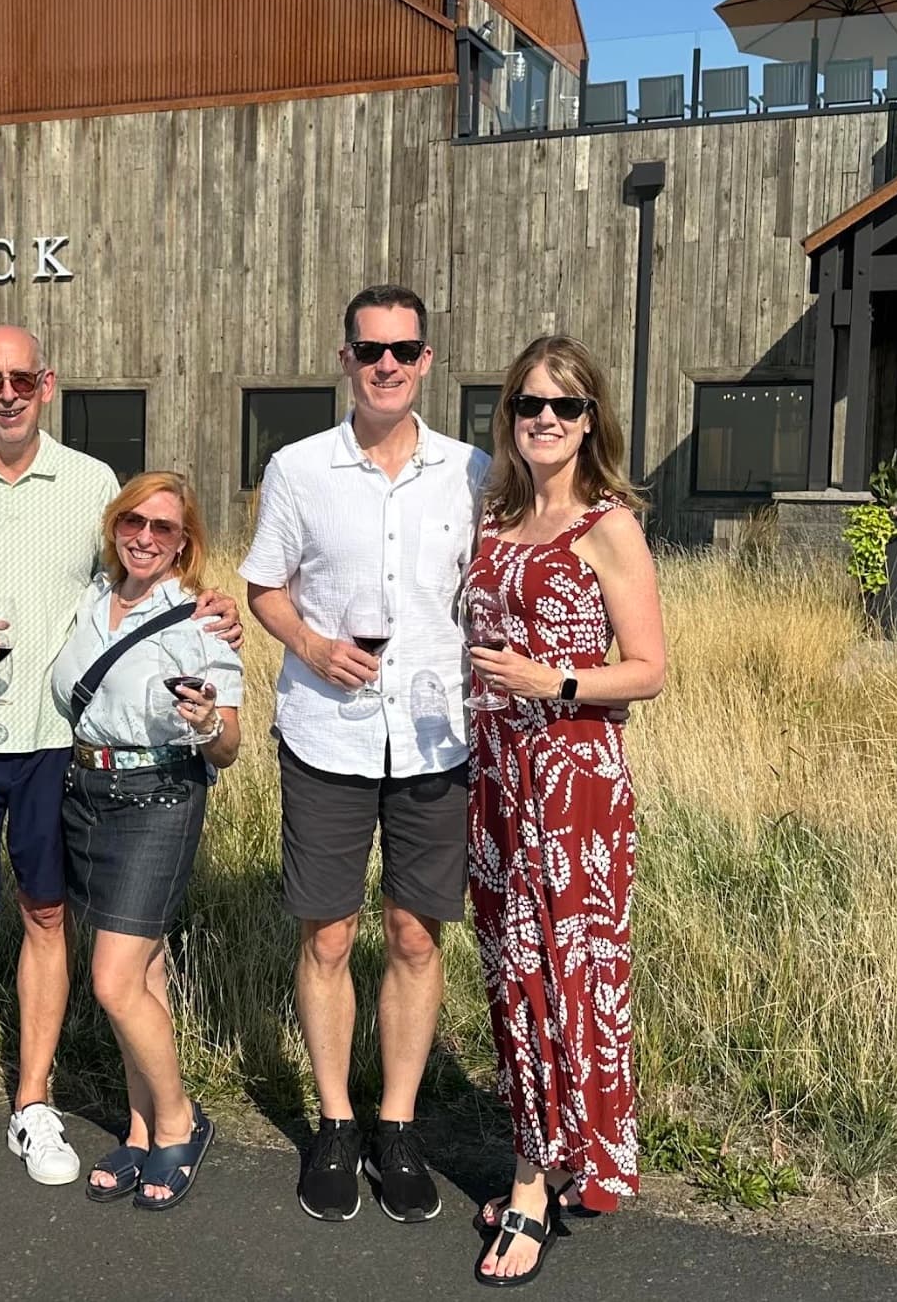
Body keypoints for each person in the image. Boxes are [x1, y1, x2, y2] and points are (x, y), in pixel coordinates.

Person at [0, 325, 242, 1218]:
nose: (8, 392)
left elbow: (139, 578)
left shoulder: (91, 485)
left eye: (23, 377)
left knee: (47, 918)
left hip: (53, 748)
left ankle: (33, 1104)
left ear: (47, 383)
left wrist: (207, 606)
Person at [239, 284, 489, 1224]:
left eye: (404, 349)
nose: (387, 364)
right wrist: (310, 646)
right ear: (345, 359)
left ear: (426, 361)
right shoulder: (300, 470)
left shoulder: (472, 470)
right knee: (330, 934)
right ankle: (336, 1123)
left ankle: (397, 1123)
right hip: (327, 735)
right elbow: (264, 586)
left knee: (417, 935)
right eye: (370, 349)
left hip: (434, 734)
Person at [463, 334, 666, 1287]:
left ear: (592, 424)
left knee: (565, 975)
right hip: (497, 775)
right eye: (528, 405)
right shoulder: (496, 519)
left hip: (572, 776)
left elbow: (651, 670)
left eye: (565, 407)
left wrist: (556, 678)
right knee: (512, 975)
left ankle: (537, 1185)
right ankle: (544, 1152)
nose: (545, 420)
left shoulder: (608, 525)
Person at [49, 472, 243, 1211]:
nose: (146, 537)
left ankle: (182, 1122)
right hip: (85, 794)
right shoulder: (87, 602)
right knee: (145, 978)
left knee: (112, 979)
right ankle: (140, 1127)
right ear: (115, 525)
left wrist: (204, 724)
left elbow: (226, 745)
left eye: (164, 528)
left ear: (185, 542)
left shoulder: (201, 620)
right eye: (135, 521)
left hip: (159, 796)